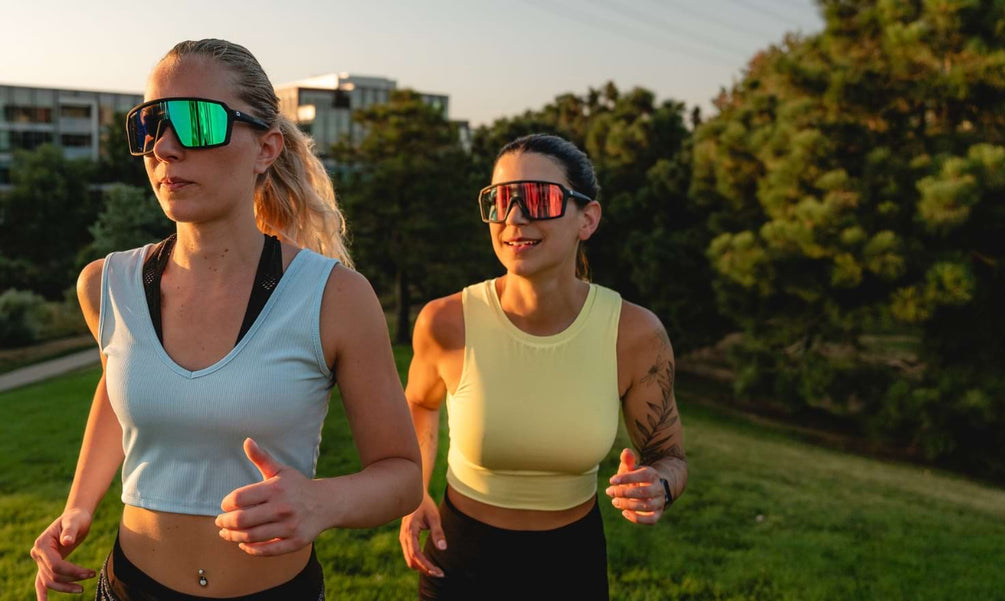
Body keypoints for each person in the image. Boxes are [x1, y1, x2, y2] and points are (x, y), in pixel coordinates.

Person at [29, 39, 422, 600]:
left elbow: (402, 473)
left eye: (194, 120)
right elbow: (118, 396)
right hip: (128, 588)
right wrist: (77, 506)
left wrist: (322, 501)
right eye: (149, 124)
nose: (164, 146)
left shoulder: (334, 297)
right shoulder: (105, 285)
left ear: (266, 147)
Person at [398, 133, 688, 599]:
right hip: (458, 556)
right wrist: (416, 492)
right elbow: (419, 404)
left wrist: (660, 485)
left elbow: (669, 457)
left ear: (587, 219)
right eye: (499, 201)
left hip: (571, 564)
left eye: (538, 197)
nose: (514, 217)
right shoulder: (446, 322)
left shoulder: (634, 335)